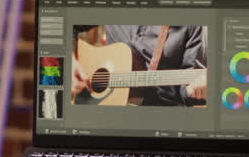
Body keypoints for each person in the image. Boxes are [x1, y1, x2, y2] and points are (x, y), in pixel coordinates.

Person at [71, 24, 208, 106]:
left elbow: (187, 91)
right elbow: (65, 23)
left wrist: (196, 91)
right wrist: (71, 60)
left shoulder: (191, 25)